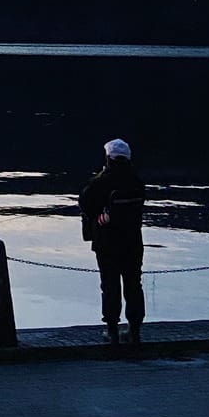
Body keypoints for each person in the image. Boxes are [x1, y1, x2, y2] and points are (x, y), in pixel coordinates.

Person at [78, 138, 146, 346]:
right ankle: (134, 331)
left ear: (108, 158)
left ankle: (112, 331)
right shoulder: (136, 180)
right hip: (133, 241)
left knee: (110, 285)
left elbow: (84, 202)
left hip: (107, 242)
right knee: (134, 284)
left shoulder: (101, 181)